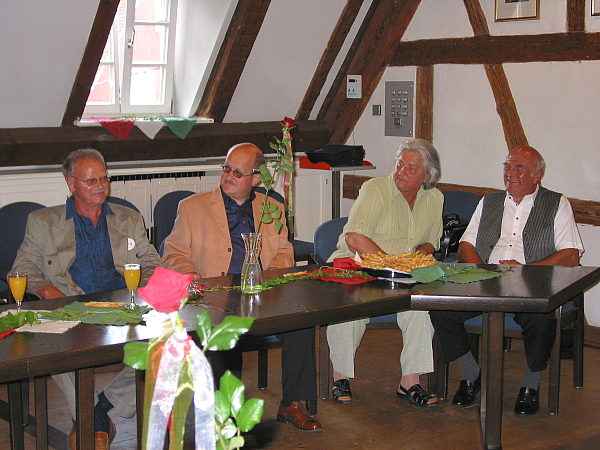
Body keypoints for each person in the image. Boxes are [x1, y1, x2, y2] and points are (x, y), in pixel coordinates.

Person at [162, 142, 321, 431]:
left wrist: (267, 276)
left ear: (256, 179)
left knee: (301, 322)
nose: (228, 176)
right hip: (215, 298)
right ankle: (225, 415)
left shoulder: (272, 208)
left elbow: (285, 252)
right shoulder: (192, 207)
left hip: (263, 296)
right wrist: (192, 276)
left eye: (237, 172)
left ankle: (292, 403)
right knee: (224, 331)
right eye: (226, 168)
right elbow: (173, 253)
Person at [11, 148, 162, 449]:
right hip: (70, 309)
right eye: (91, 180)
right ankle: (95, 419)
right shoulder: (43, 221)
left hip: (122, 308)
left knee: (168, 342)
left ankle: (98, 411)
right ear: (71, 183)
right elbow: (22, 268)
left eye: (104, 178)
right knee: (51, 344)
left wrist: (139, 289)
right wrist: (48, 291)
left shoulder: (129, 218)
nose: (100, 186)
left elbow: (152, 262)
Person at [430, 145, 583, 416]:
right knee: (440, 307)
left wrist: (525, 270)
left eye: (519, 168)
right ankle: (472, 374)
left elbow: (570, 255)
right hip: (487, 279)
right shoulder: (489, 202)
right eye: (507, 166)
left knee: (541, 320)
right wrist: (482, 269)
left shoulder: (556, 203)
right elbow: (466, 245)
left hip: (533, 283)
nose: (510, 173)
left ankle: (530, 386)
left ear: (537, 175)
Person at [326, 139, 443, 407]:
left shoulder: (435, 198)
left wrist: (419, 255)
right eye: (400, 164)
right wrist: (391, 264)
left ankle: (410, 382)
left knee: (421, 310)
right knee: (349, 310)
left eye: (411, 168)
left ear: (428, 175)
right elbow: (355, 237)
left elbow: (432, 242)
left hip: (402, 274)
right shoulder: (375, 189)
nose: (401, 172)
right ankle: (340, 378)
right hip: (361, 265)